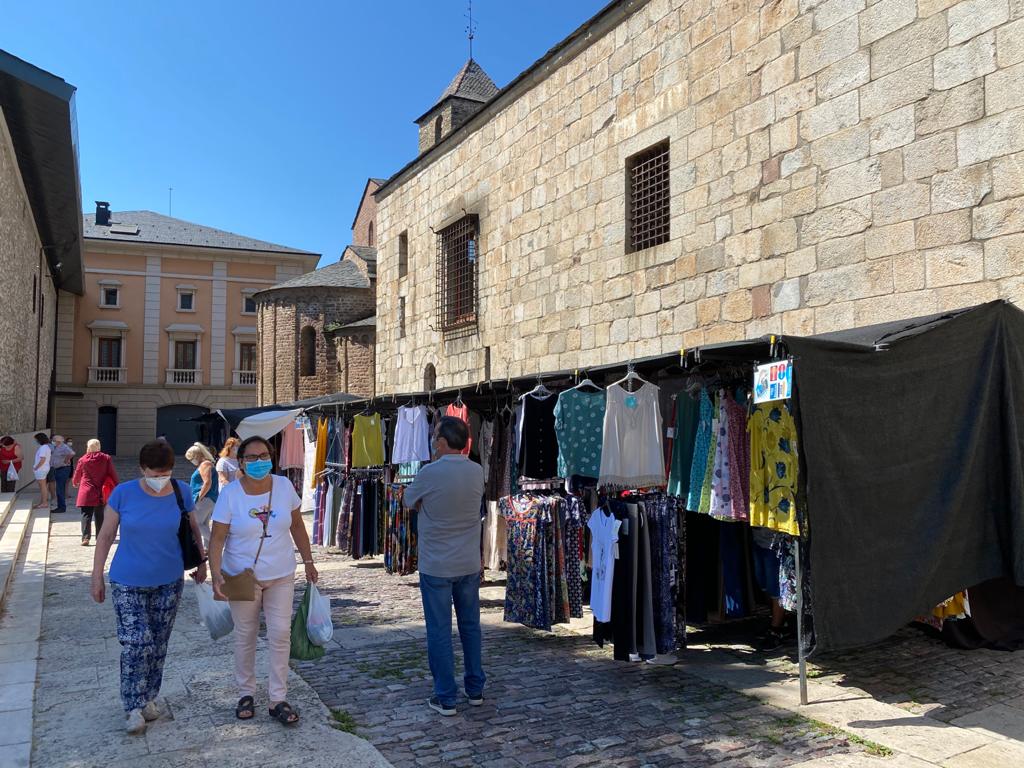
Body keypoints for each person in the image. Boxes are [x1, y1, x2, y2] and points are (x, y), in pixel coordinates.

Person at [90, 439, 207, 734]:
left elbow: (194, 529)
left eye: (165, 472)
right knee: (136, 643)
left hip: (168, 581)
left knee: (157, 644)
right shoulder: (123, 494)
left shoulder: (181, 492)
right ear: (142, 469)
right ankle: (132, 706)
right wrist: (96, 575)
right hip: (127, 580)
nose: (160, 479)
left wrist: (203, 563)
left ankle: (148, 698)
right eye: (154, 474)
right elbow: (105, 537)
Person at [208, 436, 318, 727]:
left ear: (272, 457)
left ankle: (278, 697)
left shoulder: (283, 486)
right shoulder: (231, 493)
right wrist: (215, 572)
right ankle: (246, 693)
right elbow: (217, 538)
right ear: (241, 463)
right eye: (252, 458)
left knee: (280, 633)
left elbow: (296, 524)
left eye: (264, 456)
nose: (259, 462)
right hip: (242, 577)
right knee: (245, 635)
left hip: (281, 573)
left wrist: (308, 561)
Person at [403, 416, 486, 716]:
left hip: (437, 563)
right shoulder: (476, 471)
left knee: (439, 630)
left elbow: (409, 500)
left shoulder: (430, 473)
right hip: (467, 561)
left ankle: (446, 695)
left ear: (441, 441)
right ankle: (475, 687)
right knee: (471, 627)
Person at [72, 439, 119, 546]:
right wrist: (117, 485)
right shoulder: (106, 458)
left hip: (86, 490)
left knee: (86, 515)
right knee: (100, 514)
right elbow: (112, 473)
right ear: (99, 446)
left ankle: (85, 538)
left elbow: (78, 473)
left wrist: (75, 482)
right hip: (101, 490)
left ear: (88, 447)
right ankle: (100, 537)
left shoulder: (83, 459)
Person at [185, 442, 219, 547]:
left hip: (204, 499)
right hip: (209, 499)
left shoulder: (205, 464)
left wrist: (198, 498)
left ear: (196, 455)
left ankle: (217, 543)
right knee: (204, 524)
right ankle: (207, 547)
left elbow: (207, 482)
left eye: (191, 458)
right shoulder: (208, 463)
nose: (191, 461)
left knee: (197, 524)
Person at [50, 435, 75, 515]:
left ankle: (61, 507)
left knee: (60, 489)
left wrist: (66, 460)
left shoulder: (63, 447)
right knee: (59, 488)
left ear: (58, 441)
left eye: (53, 440)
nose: (52, 441)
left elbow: (72, 453)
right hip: (58, 469)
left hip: (63, 469)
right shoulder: (56, 447)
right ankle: (60, 506)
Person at [32, 433, 52, 510]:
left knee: (43, 486)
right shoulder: (46, 447)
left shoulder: (43, 447)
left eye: (36, 439)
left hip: (41, 469)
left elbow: (42, 459)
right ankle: (42, 502)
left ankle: (44, 503)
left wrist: (36, 467)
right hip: (44, 468)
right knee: (42, 486)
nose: (35, 441)